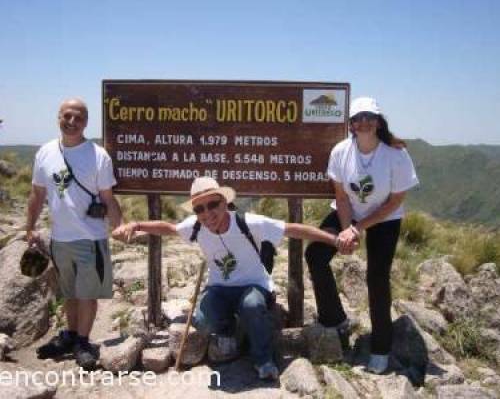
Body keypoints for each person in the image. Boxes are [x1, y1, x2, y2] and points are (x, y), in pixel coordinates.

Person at [112, 176, 340, 380]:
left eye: (213, 204)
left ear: (224, 202)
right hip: (220, 288)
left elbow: (294, 229)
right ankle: (229, 332)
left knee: (252, 305)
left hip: (253, 286)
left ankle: (263, 359)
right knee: (202, 318)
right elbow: (169, 228)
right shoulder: (196, 227)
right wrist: (136, 224)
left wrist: (334, 240)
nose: (207, 213)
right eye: (199, 209)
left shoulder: (248, 222)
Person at [305, 97, 419, 374]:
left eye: (369, 116)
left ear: (378, 121)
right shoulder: (341, 152)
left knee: (377, 277)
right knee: (315, 254)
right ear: (351, 125)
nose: (364, 122)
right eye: (357, 118)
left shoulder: (396, 154)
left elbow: (394, 202)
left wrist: (359, 228)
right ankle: (335, 318)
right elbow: (341, 197)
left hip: (385, 217)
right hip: (350, 212)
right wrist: (346, 230)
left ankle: (381, 347)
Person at [26, 98, 123, 370]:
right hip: (59, 238)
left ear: (86, 122)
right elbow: (37, 194)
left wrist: (118, 227)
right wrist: (30, 227)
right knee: (68, 292)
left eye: (78, 118)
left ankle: (83, 341)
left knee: (87, 293)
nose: (72, 122)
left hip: (90, 237)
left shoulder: (97, 155)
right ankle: (70, 335)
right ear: (59, 116)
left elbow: (108, 197)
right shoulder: (45, 152)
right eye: (67, 116)